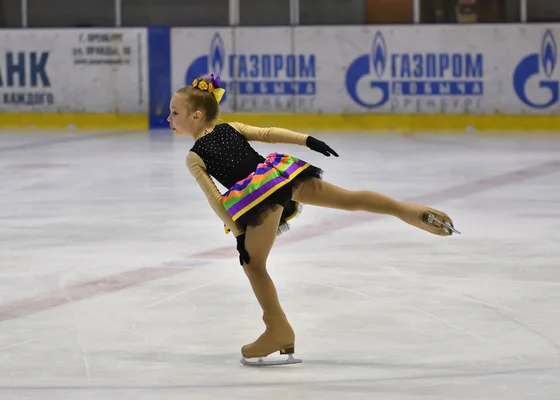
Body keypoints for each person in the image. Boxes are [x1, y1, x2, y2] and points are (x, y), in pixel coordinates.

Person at [168, 74, 458, 366]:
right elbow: (268, 134)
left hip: (259, 200)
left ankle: (277, 330)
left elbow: (216, 200)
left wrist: (239, 232)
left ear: (196, 115)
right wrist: (307, 140)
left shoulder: (194, 157)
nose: (169, 117)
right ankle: (406, 210)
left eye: (174, 112)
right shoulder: (231, 128)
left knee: (253, 264)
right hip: (283, 178)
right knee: (351, 198)